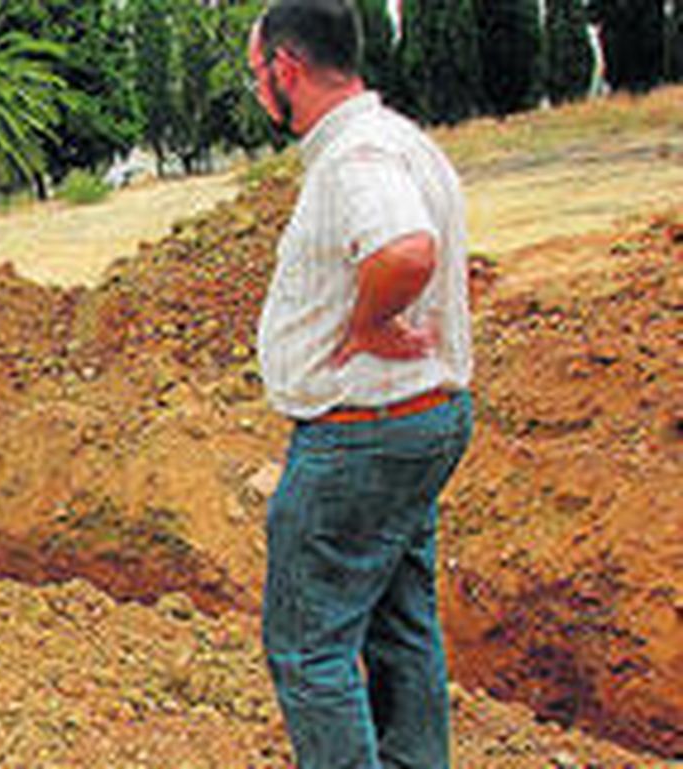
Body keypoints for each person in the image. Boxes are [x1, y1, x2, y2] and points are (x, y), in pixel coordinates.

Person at [246, 2, 474, 767]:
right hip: (423, 419)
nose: (258, 92)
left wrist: (371, 324)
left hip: (361, 435)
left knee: (309, 651)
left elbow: (406, 250)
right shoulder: (405, 142)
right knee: (401, 625)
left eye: (257, 76)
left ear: (287, 69)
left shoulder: (356, 160)